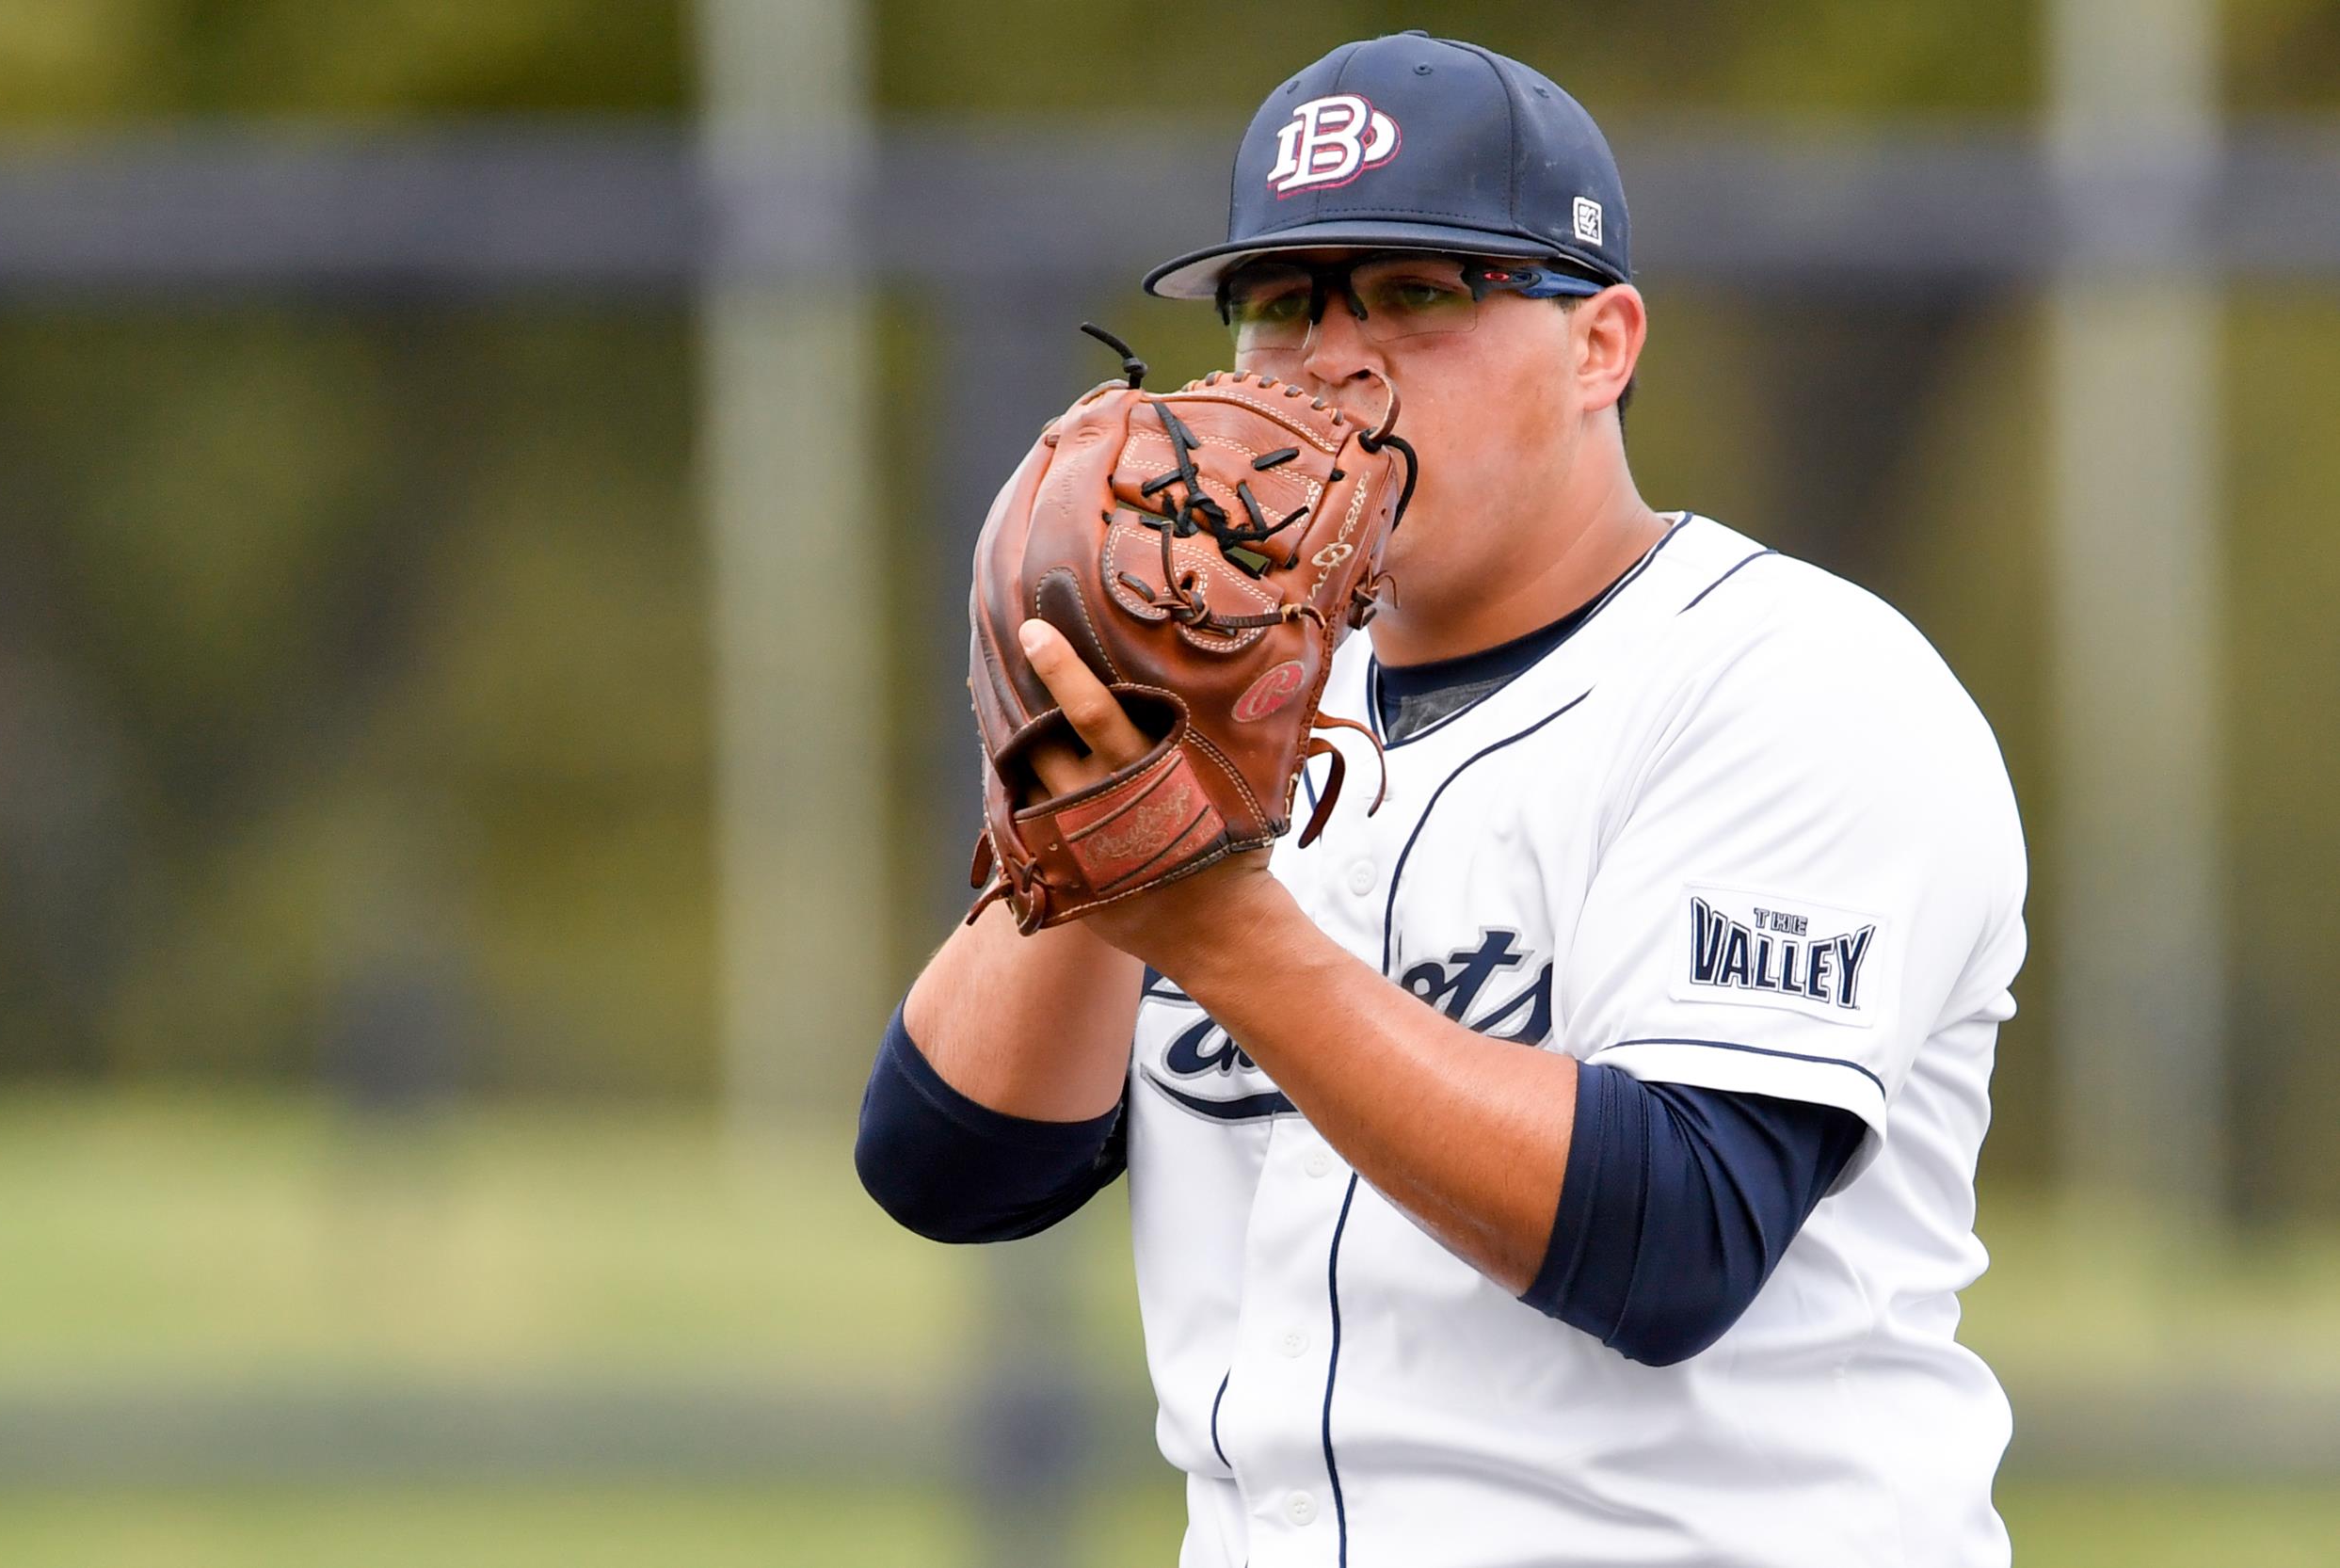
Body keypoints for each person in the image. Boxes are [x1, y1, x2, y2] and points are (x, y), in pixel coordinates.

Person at [857, 30, 2024, 1568]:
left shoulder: (1799, 682)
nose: (1332, 356)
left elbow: (1672, 1235)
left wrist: (1211, 920)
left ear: (1602, 344)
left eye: (1418, 292)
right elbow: (951, 1165)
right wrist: (1113, 781)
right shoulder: (1251, 705)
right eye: (1281, 303)